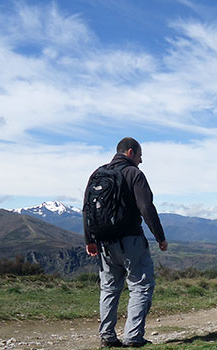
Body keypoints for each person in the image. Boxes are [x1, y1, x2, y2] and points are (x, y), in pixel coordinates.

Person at [84, 137, 168, 348]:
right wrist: (160, 237)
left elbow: (87, 208)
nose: (141, 160)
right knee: (140, 286)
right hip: (131, 240)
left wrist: (90, 239)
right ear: (130, 152)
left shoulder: (98, 174)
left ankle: (107, 336)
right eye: (140, 155)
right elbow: (146, 207)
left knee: (109, 288)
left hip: (104, 242)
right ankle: (133, 337)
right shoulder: (134, 174)